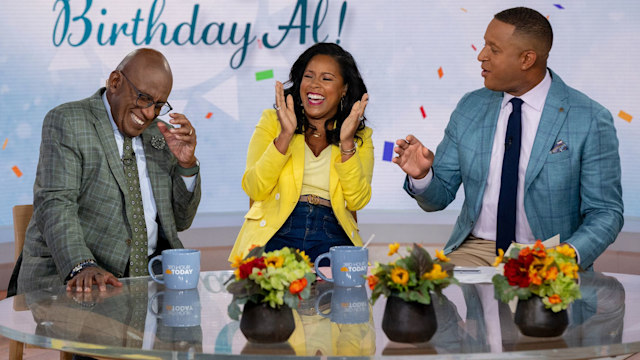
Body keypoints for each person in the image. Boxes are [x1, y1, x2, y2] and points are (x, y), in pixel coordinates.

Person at [393, 7, 623, 269]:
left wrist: (564, 257)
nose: (481, 56)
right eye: (484, 45)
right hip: (476, 248)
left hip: (548, 254)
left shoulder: (590, 118)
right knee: (416, 296)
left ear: (527, 59)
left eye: (494, 49)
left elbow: (606, 213)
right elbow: (438, 198)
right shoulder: (470, 107)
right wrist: (423, 176)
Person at [10, 48, 201, 295]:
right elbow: (55, 203)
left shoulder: (160, 133)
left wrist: (187, 165)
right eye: (144, 98)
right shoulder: (69, 121)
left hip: (151, 282)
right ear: (115, 82)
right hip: (79, 282)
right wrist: (82, 266)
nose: (149, 113)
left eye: (159, 105)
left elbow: (181, 222)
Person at [229, 42, 373, 262]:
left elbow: (357, 201)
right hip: (278, 228)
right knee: (270, 290)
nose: (315, 85)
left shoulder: (360, 137)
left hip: (332, 230)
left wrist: (346, 144)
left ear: (344, 88)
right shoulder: (272, 121)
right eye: (308, 76)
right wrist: (284, 137)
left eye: (326, 78)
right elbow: (255, 189)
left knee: (336, 295)